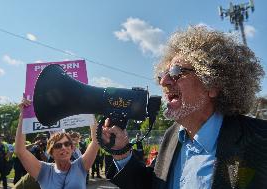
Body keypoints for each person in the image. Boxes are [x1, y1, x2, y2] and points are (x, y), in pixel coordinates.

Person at [102, 25, 267, 189]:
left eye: (176, 72)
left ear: (213, 85)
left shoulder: (260, 139)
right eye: (162, 75)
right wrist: (122, 152)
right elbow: (154, 185)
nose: (163, 81)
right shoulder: (171, 136)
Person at [15, 99, 100, 189]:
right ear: (51, 152)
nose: (63, 147)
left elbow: (96, 141)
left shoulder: (80, 166)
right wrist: (23, 116)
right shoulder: (44, 171)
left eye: (67, 144)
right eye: (58, 146)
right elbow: (20, 151)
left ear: (72, 148)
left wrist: (89, 112)